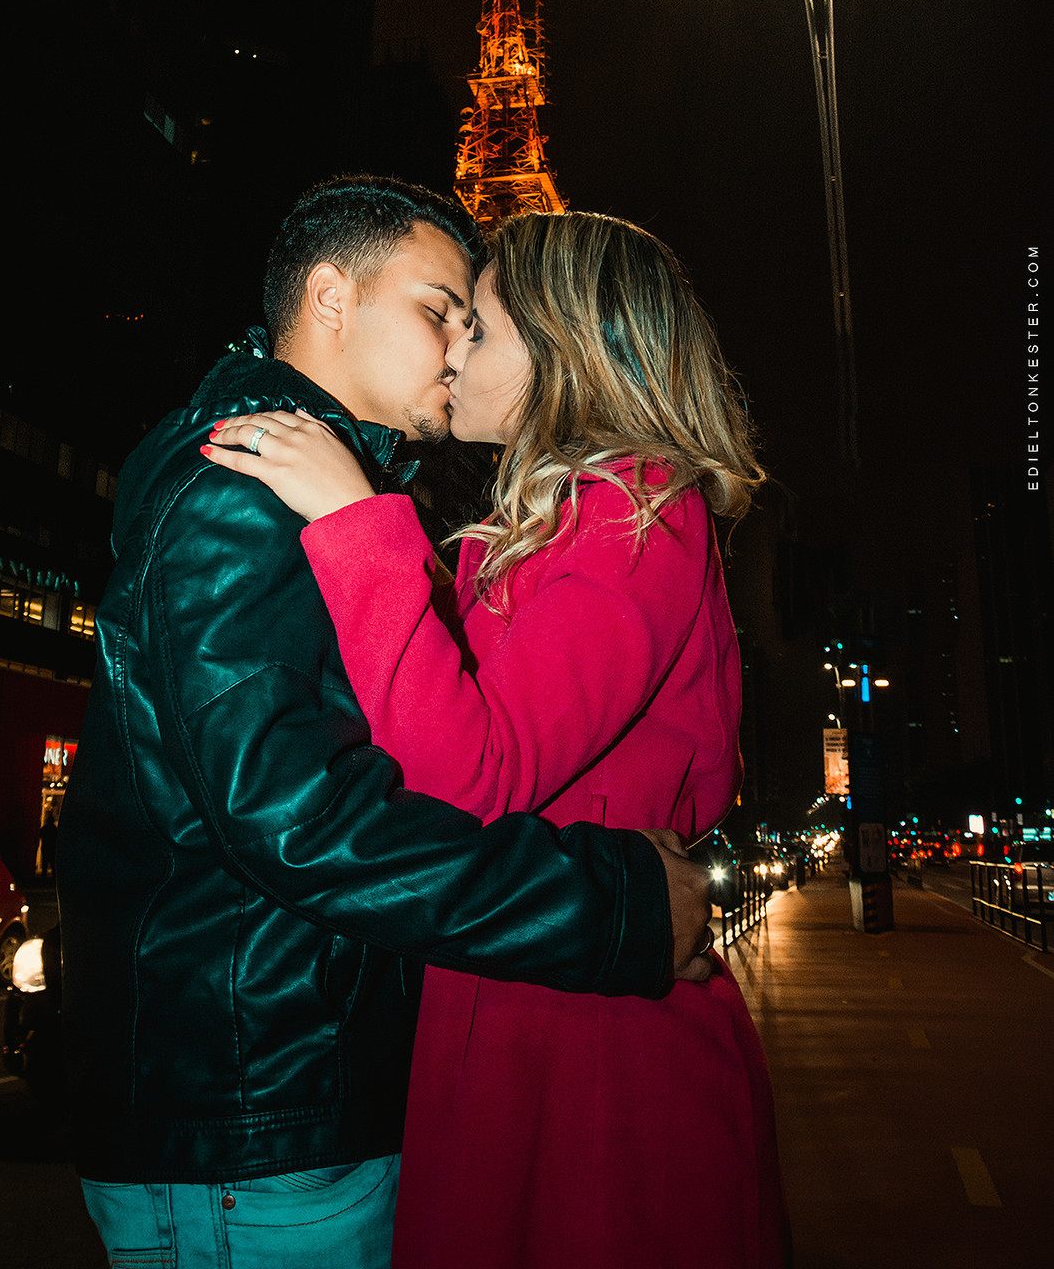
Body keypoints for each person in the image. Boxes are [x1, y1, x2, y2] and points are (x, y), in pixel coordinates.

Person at [58, 177, 714, 1269]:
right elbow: (301, 821)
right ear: (331, 297)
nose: (455, 348)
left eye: (472, 323)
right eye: (440, 311)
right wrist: (616, 910)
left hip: (288, 1092)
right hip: (255, 1116)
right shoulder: (245, 484)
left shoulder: (320, 482)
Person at [205, 207, 792, 1269]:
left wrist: (351, 519)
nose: (449, 351)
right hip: (532, 993)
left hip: (592, 1052)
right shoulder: (549, 528)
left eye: (473, 325)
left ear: (562, 348)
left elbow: (470, 773)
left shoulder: (635, 506)